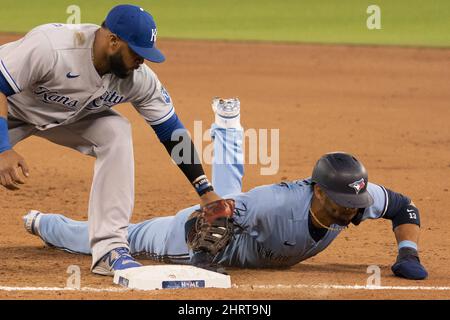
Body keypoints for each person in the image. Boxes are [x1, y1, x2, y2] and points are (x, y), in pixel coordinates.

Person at [23, 98, 428, 280]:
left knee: (232, 191)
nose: (353, 211)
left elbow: (404, 207)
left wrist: (407, 253)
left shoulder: (355, 198)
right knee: (108, 238)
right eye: (345, 203)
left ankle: (228, 127)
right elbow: (218, 212)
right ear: (319, 191)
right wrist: (200, 257)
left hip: (244, 228)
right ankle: (42, 222)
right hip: (181, 238)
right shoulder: (277, 204)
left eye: (356, 202)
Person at [0, 5, 222, 276]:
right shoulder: (52, 47)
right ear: (113, 40)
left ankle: (110, 249)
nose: (142, 61)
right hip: (8, 107)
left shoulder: (138, 79)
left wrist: (205, 190)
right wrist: (3, 148)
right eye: (137, 52)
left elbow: (171, 131)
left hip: (62, 116)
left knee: (115, 129)